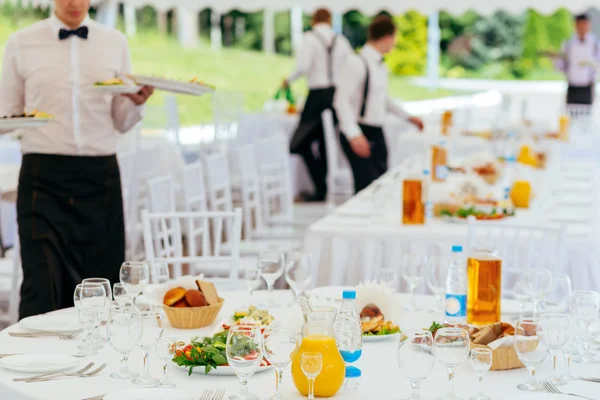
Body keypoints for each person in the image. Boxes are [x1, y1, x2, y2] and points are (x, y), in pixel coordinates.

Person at [0, 0, 154, 319]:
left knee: (101, 287)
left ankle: (97, 366)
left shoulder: (115, 42)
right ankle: (32, 365)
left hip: (100, 176)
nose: (74, 4)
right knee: (41, 285)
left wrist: (136, 103)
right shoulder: (21, 42)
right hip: (43, 176)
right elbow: (7, 115)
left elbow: (121, 121)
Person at [334, 16, 424, 193]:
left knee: (383, 184)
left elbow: (383, 99)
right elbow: (340, 100)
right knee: (366, 188)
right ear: (388, 37)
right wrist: (354, 135)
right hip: (359, 130)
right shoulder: (356, 62)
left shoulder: (380, 66)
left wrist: (409, 117)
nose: (394, 44)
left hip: (376, 131)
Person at [284, 8, 353, 202]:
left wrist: (288, 80)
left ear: (314, 20)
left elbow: (303, 66)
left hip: (317, 94)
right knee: (325, 143)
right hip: (336, 94)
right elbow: (349, 67)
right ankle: (321, 188)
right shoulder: (341, 40)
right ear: (329, 20)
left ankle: (320, 188)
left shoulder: (310, 38)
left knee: (298, 142)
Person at [554, 14, 600, 105]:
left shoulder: (595, 43)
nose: (582, 28)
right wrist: (556, 59)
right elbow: (562, 66)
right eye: (580, 25)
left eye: (585, 25)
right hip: (572, 87)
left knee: (587, 116)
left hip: (588, 87)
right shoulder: (568, 43)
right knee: (571, 114)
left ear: (589, 25)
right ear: (575, 25)